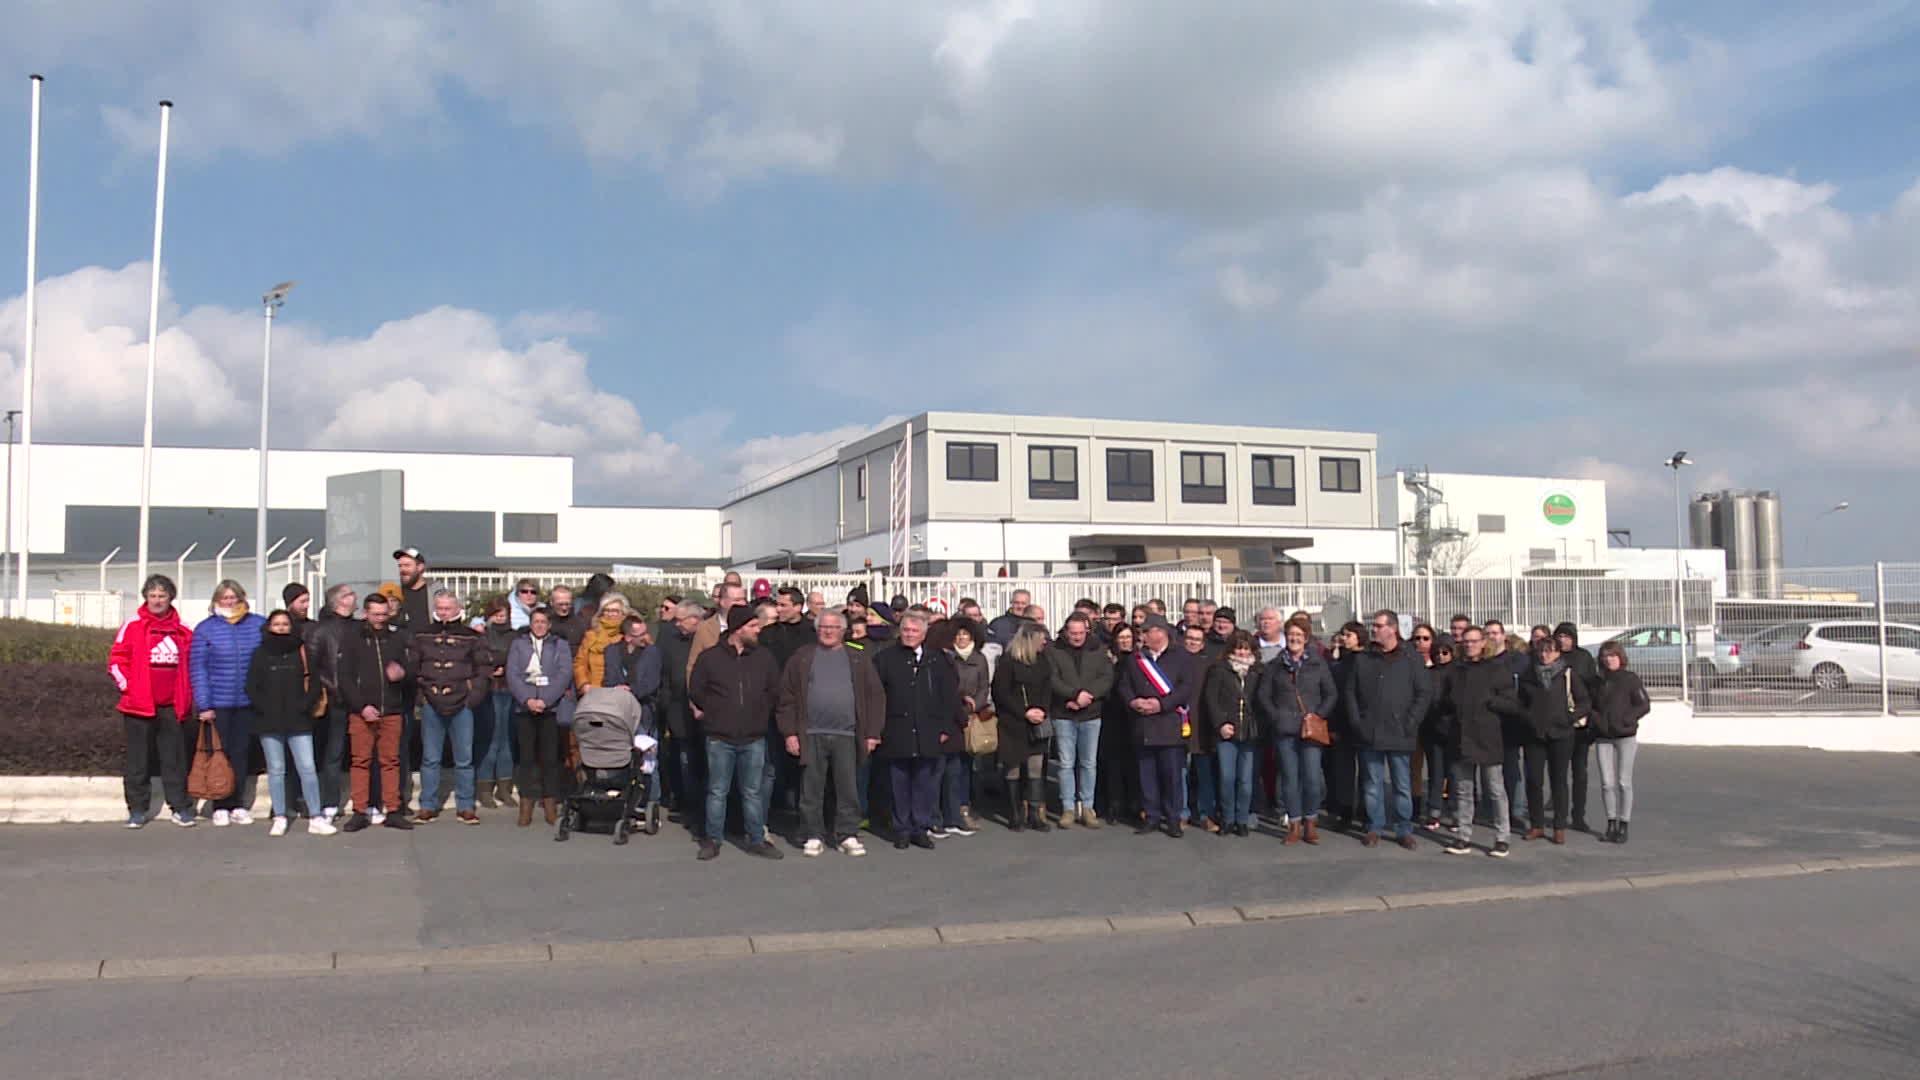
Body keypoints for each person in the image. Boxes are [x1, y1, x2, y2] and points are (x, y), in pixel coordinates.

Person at [777, 610, 884, 858]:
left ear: (843, 630)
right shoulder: (802, 658)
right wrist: (790, 733)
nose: (828, 631)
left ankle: (847, 834)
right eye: (823, 627)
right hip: (811, 733)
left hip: (848, 734)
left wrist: (872, 733)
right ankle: (813, 833)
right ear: (816, 629)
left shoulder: (858, 658)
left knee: (848, 788)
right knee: (811, 788)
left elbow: (875, 697)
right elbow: (786, 698)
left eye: (834, 627)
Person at [690, 607, 783, 861]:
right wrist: (714, 710)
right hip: (720, 736)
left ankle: (756, 838)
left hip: (754, 735)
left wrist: (760, 711)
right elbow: (696, 689)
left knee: (752, 792)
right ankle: (712, 839)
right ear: (738, 628)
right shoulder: (710, 658)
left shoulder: (764, 657)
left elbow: (774, 690)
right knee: (717, 791)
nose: (758, 630)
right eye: (753, 626)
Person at [110, 574, 198, 828]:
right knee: (138, 760)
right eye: (152, 596)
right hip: (138, 706)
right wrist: (129, 687)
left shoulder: (183, 630)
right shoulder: (133, 625)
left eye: (162, 595)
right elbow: (117, 660)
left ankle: (180, 808)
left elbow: (193, 665)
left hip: (173, 706)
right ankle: (137, 810)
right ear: (146, 597)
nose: (157, 600)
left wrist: (190, 697)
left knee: (175, 759)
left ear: (171, 598)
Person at [872, 612, 962, 849]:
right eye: (906, 630)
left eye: (914, 631)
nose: (909, 635)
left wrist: (944, 727)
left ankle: (920, 827)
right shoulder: (885, 658)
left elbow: (948, 696)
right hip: (896, 729)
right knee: (898, 782)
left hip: (928, 730)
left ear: (923, 634)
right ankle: (901, 828)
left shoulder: (937, 660)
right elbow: (876, 695)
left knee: (925, 782)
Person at [1344, 609, 1432, 850]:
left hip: (1400, 731)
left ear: (1392, 628)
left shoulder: (1410, 657)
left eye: (1379, 626)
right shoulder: (1364, 658)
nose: (1374, 630)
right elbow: (1350, 692)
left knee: (1402, 784)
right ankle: (1375, 826)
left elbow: (1424, 692)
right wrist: (1357, 722)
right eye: (1373, 626)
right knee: (1372, 783)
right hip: (1370, 731)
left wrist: (1410, 722)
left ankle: (1404, 828)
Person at [1492, 636, 1591, 845]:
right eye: (1542, 651)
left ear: (1558, 653)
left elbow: (1584, 702)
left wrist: (1568, 718)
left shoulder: (1568, 674)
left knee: (1559, 781)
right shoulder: (1529, 675)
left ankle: (1559, 826)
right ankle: (1536, 825)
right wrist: (1527, 717)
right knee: (1534, 780)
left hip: (1561, 735)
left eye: (1550, 651)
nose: (1545, 655)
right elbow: (1520, 702)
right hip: (1534, 735)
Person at [244, 609, 329, 836]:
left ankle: (316, 815)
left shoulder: (301, 651)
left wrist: (304, 706)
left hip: (299, 719)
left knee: (308, 768)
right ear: (269, 627)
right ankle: (280, 815)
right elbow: (252, 687)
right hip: (269, 720)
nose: (281, 627)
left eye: (285, 623)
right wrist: (265, 707)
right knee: (276, 769)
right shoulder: (260, 653)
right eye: (276, 624)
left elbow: (314, 684)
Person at [189, 579, 267, 827]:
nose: (230, 602)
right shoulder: (205, 629)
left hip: (247, 703)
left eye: (234, 597)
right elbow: (198, 668)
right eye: (225, 598)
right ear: (216, 601)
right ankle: (219, 804)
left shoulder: (257, 625)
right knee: (219, 756)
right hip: (218, 704)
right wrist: (204, 704)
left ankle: (238, 805)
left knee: (241, 754)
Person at [409, 588, 490, 824]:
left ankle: (465, 805)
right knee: (430, 758)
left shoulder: (471, 636)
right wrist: (420, 696)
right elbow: (413, 665)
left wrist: (471, 696)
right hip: (431, 701)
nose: (443, 613)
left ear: (457, 609)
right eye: (439, 608)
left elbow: (483, 669)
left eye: (448, 608)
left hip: (462, 703)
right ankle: (428, 804)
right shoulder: (422, 634)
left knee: (464, 758)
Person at [336, 593, 414, 832]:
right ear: (365, 613)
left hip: (391, 709)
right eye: (375, 614)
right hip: (362, 711)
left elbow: (410, 670)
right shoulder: (352, 639)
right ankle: (360, 811)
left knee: (390, 761)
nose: (380, 619)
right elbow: (345, 678)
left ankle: (393, 809)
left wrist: (402, 673)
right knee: (360, 762)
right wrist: (361, 706)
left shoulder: (396, 638)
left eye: (384, 614)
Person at [1257, 619, 1338, 845]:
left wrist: (1318, 714)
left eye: (1299, 635)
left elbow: (1331, 693)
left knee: (1312, 779)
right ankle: (1293, 824)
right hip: (1285, 729)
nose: (1294, 639)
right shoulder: (1275, 665)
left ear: (1306, 638)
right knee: (1290, 779)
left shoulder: (1317, 663)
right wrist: (1276, 716)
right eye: (1291, 634)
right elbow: (1264, 695)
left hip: (1310, 729)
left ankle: (1310, 822)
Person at [1119, 616, 1198, 838]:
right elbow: (1124, 685)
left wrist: (1161, 704)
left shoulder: (1181, 656)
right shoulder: (1136, 658)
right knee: (1147, 774)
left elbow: (1186, 687)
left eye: (1146, 632)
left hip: (1169, 722)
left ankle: (1173, 819)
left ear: (1160, 633)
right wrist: (1132, 702)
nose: (1142, 636)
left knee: (1171, 775)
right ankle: (1151, 816)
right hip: (1143, 723)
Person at [1443, 625, 1512, 857]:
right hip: (1461, 735)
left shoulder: (1496, 669)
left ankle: (1502, 837)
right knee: (1463, 789)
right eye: (1466, 641)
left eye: (1474, 641)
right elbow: (1444, 700)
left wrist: (1489, 702)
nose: (1470, 645)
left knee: (1495, 789)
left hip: (1488, 736)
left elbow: (1510, 701)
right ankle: (1463, 835)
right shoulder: (1455, 670)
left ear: (1483, 642)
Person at [506, 606, 573, 829]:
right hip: (525, 708)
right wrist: (528, 700)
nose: (540, 625)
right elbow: (512, 674)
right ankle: (526, 803)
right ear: (530, 623)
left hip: (550, 708)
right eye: (536, 621)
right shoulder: (519, 644)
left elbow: (564, 674)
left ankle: (550, 802)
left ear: (549, 624)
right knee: (526, 758)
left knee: (550, 758)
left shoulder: (559, 645)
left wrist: (545, 700)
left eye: (544, 622)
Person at [1049, 612, 1114, 828]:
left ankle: (1087, 807)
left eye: (1080, 633)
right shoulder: (1053, 650)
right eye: (1073, 633)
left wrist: (1088, 697)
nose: (1077, 637)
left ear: (1087, 631)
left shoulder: (1099, 650)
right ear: (1065, 631)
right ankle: (1068, 808)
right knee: (1066, 763)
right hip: (1064, 713)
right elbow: (1052, 679)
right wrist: (1074, 695)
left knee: (1088, 763)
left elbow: (1106, 678)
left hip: (1091, 713)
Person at [992, 622, 1055, 833]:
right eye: (1041, 638)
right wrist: (1024, 712)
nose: (1045, 642)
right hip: (1013, 722)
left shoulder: (1043, 661)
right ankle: (1015, 814)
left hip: (1037, 721)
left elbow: (1048, 689)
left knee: (1035, 766)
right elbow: (1001, 693)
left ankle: (1035, 813)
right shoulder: (1008, 662)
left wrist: (1042, 711)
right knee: (1013, 767)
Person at [305, 583, 358, 822]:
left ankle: (368, 801)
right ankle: (330, 802)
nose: (354, 597)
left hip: (361, 698)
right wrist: (333, 687)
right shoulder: (321, 630)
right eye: (349, 594)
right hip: (335, 700)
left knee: (364, 753)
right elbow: (313, 667)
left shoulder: (360, 627)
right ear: (339, 601)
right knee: (333, 753)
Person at [1205, 630, 1264, 838]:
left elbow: (1262, 701)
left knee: (1246, 781)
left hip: (1249, 732)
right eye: (1238, 647)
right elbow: (1211, 699)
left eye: (1245, 648)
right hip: (1226, 732)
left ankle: (1242, 819)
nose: (1241, 652)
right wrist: (1220, 723)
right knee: (1227, 778)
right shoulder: (1219, 669)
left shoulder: (1257, 672)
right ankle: (1228, 819)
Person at [1592, 641, 1649, 844]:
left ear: (1620, 657)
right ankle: (1611, 822)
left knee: (1624, 782)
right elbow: (1592, 706)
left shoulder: (1630, 679)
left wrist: (1627, 719)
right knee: (1607, 783)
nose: (1609, 660)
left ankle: (1624, 824)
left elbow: (1643, 705)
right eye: (1605, 656)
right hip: (1604, 737)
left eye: (1613, 656)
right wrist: (1598, 721)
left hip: (1625, 736)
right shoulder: (1598, 681)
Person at [655, 601, 703, 823]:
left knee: (694, 757)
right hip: (675, 707)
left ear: (695, 620)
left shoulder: (703, 642)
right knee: (679, 754)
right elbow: (663, 673)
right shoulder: (670, 640)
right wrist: (665, 700)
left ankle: (696, 800)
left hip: (700, 708)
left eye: (680, 620)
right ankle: (682, 798)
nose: (676, 624)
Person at [1554, 622, 1601, 833]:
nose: (1563, 640)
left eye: (1567, 636)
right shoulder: (1552, 657)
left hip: (1580, 725)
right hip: (1559, 724)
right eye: (1560, 636)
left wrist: (1589, 717)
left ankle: (1578, 815)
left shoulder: (1583, 658)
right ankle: (1560, 815)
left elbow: (1593, 689)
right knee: (1559, 773)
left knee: (1580, 772)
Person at [948, 619, 992, 833]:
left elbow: (984, 686)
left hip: (972, 716)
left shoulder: (979, 659)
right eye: (958, 634)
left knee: (967, 764)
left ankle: (964, 806)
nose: (961, 638)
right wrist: (960, 699)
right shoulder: (949, 657)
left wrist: (976, 703)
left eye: (965, 634)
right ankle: (952, 807)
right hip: (953, 715)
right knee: (952, 765)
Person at [475, 597, 519, 809]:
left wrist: (500, 661)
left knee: (506, 741)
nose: (501, 617)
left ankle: (504, 788)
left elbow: (516, 657)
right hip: (488, 692)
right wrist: (497, 662)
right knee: (489, 740)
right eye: (497, 613)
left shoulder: (515, 635)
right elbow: (480, 657)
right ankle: (484, 788)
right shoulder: (481, 635)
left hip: (509, 691)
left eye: (504, 613)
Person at [1097, 622, 1141, 825]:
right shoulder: (1108, 660)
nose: (1124, 641)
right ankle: (1113, 804)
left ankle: (1133, 805)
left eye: (1128, 637)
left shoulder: (1140, 660)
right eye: (1121, 637)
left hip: (1133, 715)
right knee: (1112, 762)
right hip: (1112, 715)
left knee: (1133, 762)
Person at [1180, 623, 1220, 830]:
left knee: (1205, 773)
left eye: (1196, 639)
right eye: (1189, 638)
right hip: (1179, 723)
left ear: (1202, 643)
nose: (1192, 642)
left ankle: (1206, 814)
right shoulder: (1175, 660)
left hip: (1204, 724)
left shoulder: (1211, 663)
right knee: (1181, 772)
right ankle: (1182, 812)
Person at [1420, 633, 1458, 831]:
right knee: (1436, 772)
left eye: (1445, 652)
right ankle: (1434, 811)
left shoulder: (1458, 672)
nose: (1441, 656)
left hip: (1453, 729)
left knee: (1454, 773)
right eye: (1437, 653)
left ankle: (1455, 812)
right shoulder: (1428, 673)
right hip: (1432, 729)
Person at [686, 581, 747, 681]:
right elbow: (693, 666)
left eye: (744, 599)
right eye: (737, 600)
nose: (742, 603)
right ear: (722, 602)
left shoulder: (752, 627)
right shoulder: (704, 628)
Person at [760, 587, 815, 670]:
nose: (778, 609)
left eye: (783, 605)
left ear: (798, 607)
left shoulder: (814, 631)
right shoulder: (767, 633)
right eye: (777, 605)